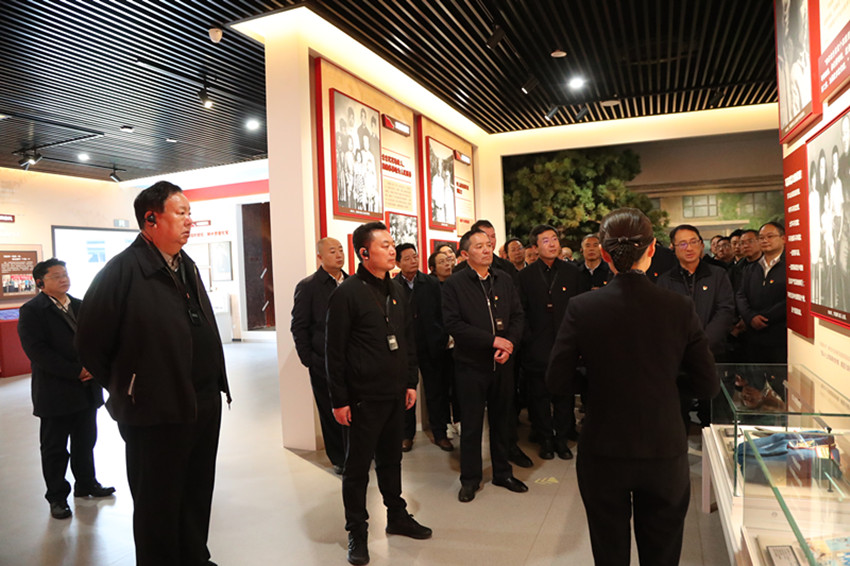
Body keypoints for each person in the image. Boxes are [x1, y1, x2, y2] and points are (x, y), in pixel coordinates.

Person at [546, 208, 718, 566]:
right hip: (663, 446)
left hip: (603, 447)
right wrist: (665, 383)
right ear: (653, 249)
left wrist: (597, 381)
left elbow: (557, 379)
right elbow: (707, 384)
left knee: (609, 551)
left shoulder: (582, 307)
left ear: (604, 253)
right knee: (662, 553)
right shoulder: (679, 307)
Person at [75, 181, 231, 566]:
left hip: (202, 402)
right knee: (157, 501)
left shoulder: (185, 264)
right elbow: (91, 342)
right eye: (181, 213)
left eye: (190, 213)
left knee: (196, 490)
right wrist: (131, 386)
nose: (189, 221)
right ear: (151, 219)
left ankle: (193, 556)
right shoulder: (123, 271)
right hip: (154, 410)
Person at [325, 222, 431, 565]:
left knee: (391, 459)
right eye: (383, 245)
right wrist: (339, 400)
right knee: (357, 468)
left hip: (394, 393)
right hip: (362, 397)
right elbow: (334, 352)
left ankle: (397, 515)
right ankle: (357, 531)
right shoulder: (347, 293)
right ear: (364, 252)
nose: (391, 249)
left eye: (391, 243)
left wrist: (410, 382)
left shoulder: (397, 289)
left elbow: (407, 340)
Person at [17, 258, 114, 521]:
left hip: (86, 389)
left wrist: (93, 366)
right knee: (55, 449)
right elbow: (37, 351)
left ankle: (86, 483)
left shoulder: (81, 306)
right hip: (55, 391)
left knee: (86, 441)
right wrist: (75, 371)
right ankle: (57, 497)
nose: (64, 279)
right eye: (56, 276)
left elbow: (96, 340)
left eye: (65, 274)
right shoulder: (32, 311)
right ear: (40, 282)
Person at [442, 228, 528, 503]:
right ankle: (470, 479)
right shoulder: (455, 284)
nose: (486, 249)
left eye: (488, 244)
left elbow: (518, 315)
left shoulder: (503, 279)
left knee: (503, 421)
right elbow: (453, 324)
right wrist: (493, 341)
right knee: (471, 425)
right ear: (465, 253)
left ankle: (503, 472)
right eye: (479, 246)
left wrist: (509, 343)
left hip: (502, 363)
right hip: (471, 365)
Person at [658, 225, 736, 429]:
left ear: (702, 245)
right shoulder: (665, 281)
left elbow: (725, 310)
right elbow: (663, 319)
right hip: (679, 358)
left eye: (693, 242)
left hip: (713, 354)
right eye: (682, 244)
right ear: (673, 248)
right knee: (678, 416)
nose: (689, 248)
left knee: (714, 415)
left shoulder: (718, 275)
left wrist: (702, 344)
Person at [518, 225, 580, 460]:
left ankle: (562, 439)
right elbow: (520, 312)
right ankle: (545, 438)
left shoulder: (572, 272)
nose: (552, 244)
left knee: (564, 395)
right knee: (539, 397)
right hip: (536, 346)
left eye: (554, 239)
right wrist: (528, 339)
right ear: (535, 247)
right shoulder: (525, 276)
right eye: (546, 241)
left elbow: (580, 308)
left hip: (566, 344)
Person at [291, 237, 348, 474]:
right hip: (322, 362)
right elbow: (299, 326)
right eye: (332, 251)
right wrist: (310, 360)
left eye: (341, 250)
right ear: (320, 257)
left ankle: (358, 453)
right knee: (330, 411)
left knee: (356, 410)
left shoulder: (352, 283)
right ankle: (340, 459)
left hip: (352, 361)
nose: (339, 254)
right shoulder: (309, 286)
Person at [395, 243, 453, 452]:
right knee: (406, 392)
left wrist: (442, 336)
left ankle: (440, 433)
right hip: (406, 347)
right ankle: (406, 435)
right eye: (407, 258)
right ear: (398, 263)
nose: (413, 261)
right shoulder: (393, 285)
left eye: (415, 256)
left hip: (432, 344)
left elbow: (443, 312)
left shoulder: (431, 282)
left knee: (436, 391)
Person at [736, 221, 788, 363]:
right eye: (761, 237)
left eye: (770, 236)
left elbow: (791, 299)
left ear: (783, 238)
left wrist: (766, 318)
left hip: (780, 336)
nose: (765, 240)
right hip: (753, 336)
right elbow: (740, 295)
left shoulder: (792, 267)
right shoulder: (751, 268)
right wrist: (750, 317)